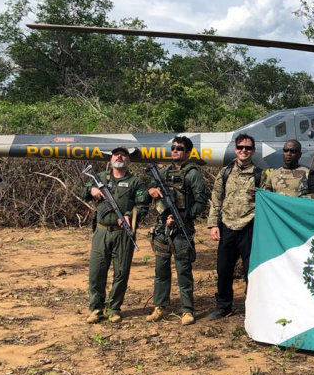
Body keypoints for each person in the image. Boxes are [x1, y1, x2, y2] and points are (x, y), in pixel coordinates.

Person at [146, 136, 208, 326]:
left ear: (188, 152)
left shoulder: (193, 174)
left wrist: (184, 216)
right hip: (163, 228)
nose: (175, 151)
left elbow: (201, 202)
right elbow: (148, 187)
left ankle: (187, 310)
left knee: (183, 270)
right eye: (173, 148)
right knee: (161, 270)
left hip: (182, 228)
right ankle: (159, 306)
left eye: (179, 148)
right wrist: (152, 190)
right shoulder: (163, 172)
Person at [83, 147, 149, 324]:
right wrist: (92, 191)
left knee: (121, 272)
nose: (119, 156)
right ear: (111, 158)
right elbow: (85, 191)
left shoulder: (136, 182)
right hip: (102, 231)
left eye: (124, 154)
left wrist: (129, 214)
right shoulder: (102, 178)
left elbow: (142, 206)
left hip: (123, 234)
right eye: (116, 154)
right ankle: (96, 309)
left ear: (128, 160)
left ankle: (113, 308)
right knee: (96, 272)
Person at [207, 134, 263, 320]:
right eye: (240, 147)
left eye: (248, 147)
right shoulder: (225, 172)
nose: (244, 150)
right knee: (224, 269)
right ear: (235, 149)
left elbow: (266, 202)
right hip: (227, 226)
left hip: (250, 226)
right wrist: (213, 224)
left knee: (251, 271)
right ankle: (224, 306)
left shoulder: (260, 174)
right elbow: (216, 199)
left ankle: (253, 306)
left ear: (253, 151)